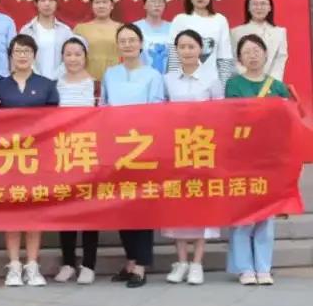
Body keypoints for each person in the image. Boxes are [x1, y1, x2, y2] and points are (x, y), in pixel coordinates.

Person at [0, 34, 59, 287]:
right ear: (11, 55)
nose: (22, 55)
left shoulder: (47, 85)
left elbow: (53, 121)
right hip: (8, 158)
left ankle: (32, 264)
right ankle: (14, 265)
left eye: (27, 51)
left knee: (33, 210)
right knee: (12, 210)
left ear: (34, 55)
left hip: (37, 157)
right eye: (17, 51)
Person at [101, 23, 165, 288]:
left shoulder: (153, 75)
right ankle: (129, 260)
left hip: (143, 148)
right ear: (118, 46)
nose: (127, 45)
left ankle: (141, 265)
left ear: (140, 44)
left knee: (141, 206)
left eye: (132, 40)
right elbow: (103, 106)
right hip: (117, 148)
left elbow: (157, 109)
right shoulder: (110, 74)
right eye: (123, 41)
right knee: (121, 204)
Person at [225, 34, 289, 286]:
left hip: (270, 158)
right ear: (240, 58)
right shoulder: (234, 85)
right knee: (244, 214)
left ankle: (264, 267)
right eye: (247, 52)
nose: (252, 55)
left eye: (256, 50)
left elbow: (287, 122)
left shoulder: (278, 87)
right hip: (242, 157)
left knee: (266, 214)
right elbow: (232, 117)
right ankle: (244, 268)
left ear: (265, 54)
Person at [162, 30, 223, 286]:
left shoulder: (212, 78)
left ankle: (197, 262)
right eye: (182, 47)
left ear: (200, 49)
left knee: (200, 203)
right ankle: (181, 262)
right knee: (177, 203)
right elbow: (159, 112)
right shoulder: (167, 79)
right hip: (175, 148)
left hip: (202, 147)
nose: (186, 51)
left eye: (191, 46)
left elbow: (221, 112)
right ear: (176, 50)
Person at [53, 37, 97, 285]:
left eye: (78, 54)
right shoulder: (55, 84)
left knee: (90, 210)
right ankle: (68, 262)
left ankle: (89, 264)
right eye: (68, 54)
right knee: (66, 210)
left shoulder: (95, 85)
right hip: (63, 153)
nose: (73, 59)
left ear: (85, 57)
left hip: (89, 152)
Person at [168, 0, 234, 84]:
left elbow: (224, 58)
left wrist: (222, 87)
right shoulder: (180, 20)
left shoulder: (220, 20)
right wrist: (174, 84)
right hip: (184, 82)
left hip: (212, 83)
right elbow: (174, 57)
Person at [19, 0, 75, 80]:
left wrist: (55, 77)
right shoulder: (27, 31)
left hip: (60, 82)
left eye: (51, 0)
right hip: (33, 81)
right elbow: (22, 56)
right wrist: (38, 78)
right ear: (36, 3)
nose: (47, 4)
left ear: (56, 2)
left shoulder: (66, 31)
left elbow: (70, 57)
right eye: (42, 0)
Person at [230, 0, 287, 80]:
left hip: (271, 83)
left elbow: (280, 59)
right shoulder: (236, 32)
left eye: (263, 4)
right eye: (255, 4)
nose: (259, 7)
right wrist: (249, 78)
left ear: (270, 7)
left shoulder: (279, 32)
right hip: (245, 82)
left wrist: (271, 82)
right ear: (248, 8)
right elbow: (234, 59)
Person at [72, 0, 120, 81]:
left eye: (105, 2)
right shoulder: (80, 29)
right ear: (92, 6)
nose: (101, 6)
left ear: (112, 5)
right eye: (97, 2)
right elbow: (72, 56)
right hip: (87, 81)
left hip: (115, 80)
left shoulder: (121, 28)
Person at [134, 0, 171, 75]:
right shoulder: (135, 28)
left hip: (168, 78)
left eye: (160, 2)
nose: (157, 5)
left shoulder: (172, 27)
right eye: (153, 1)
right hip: (141, 77)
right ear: (144, 5)